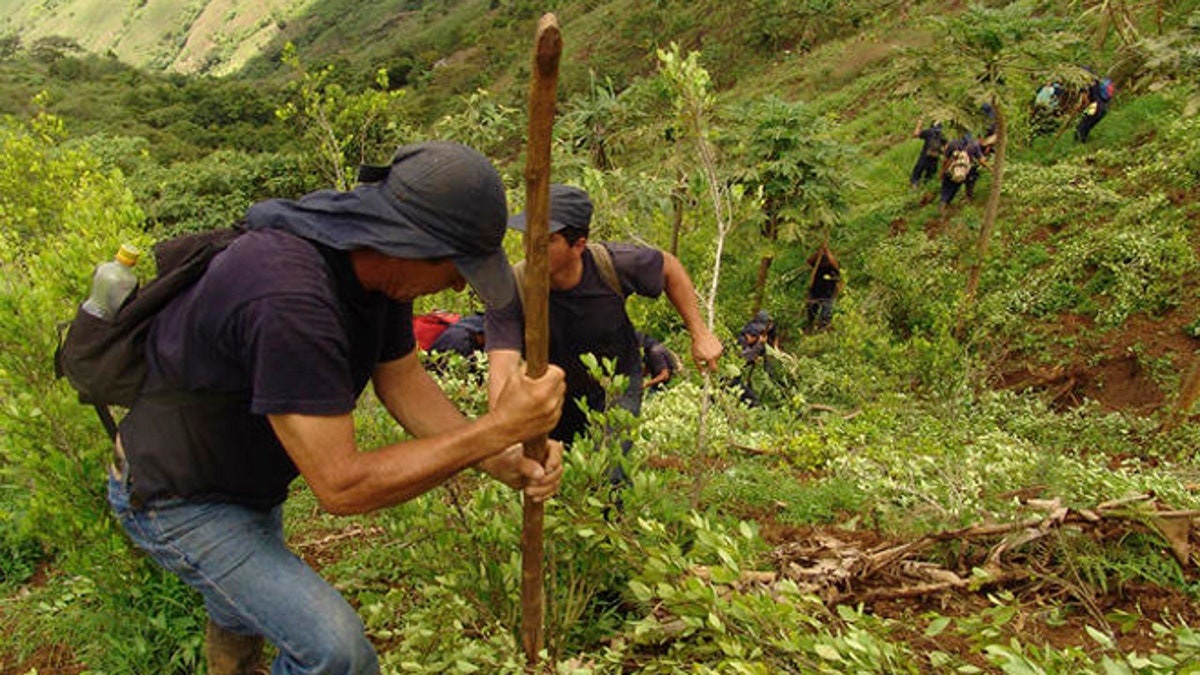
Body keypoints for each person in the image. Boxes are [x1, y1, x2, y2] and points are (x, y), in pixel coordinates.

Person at [106, 141, 567, 675]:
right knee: (335, 654)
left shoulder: (376, 271)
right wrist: (494, 430)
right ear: (411, 244)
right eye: (455, 267)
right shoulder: (289, 299)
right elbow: (342, 486)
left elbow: (403, 380)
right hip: (177, 496)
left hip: (242, 479)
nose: (460, 284)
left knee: (243, 610)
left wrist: (500, 456)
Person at [485, 183, 722, 454]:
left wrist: (700, 333)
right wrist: (502, 435)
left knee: (610, 469)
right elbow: (501, 369)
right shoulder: (510, 289)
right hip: (552, 391)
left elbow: (668, 267)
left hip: (615, 384)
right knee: (555, 472)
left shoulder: (614, 265)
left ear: (579, 245)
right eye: (528, 236)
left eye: (546, 240)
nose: (531, 248)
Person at [938, 133, 988, 218]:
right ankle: (949, 204)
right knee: (955, 188)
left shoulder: (952, 143)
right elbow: (981, 160)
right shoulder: (974, 144)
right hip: (963, 173)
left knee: (946, 189)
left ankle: (943, 204)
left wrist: (942, 171)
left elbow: (945, 160)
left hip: (951, 171)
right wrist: (991, 168)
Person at [733, 310, 777, 406]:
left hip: (743, 374)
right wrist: (759, 345)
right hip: (731, 377)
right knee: (750, 399)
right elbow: (743, 358)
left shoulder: (765, 330)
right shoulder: (744, 338)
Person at [806, 245, 842, 331]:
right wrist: (818, 253)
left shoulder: (833, 264)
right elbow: (809, 261)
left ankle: (823, 329)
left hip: (828, 292)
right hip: (815, 291)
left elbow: (836, 267)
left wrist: (828, 253)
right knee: (811, 310)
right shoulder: (817, 262)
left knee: (825, 314)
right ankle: (810, 327)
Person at [909, 118, 946, 189]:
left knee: (917, 172)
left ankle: (914, 184)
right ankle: (926, 187)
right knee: (930, 175)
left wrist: (919, 124)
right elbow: (945, 149)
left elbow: (915, 134)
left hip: (925, 156)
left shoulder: (929, 132)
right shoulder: (942, 135)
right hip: (935, 158)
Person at [1075, 75, 1111, 143]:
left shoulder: (1084, 84)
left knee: (1080, 128)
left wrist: (1079, 107)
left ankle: (1078, 145)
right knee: (1086, 127)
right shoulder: (1096, 81)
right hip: (1103, 107)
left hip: (1093, 107)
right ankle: (1083, 144)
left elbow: (1085, 100)